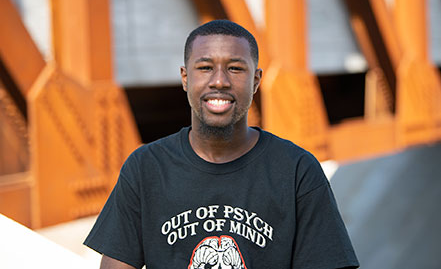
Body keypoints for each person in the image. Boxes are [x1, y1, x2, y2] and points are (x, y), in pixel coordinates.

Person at [84, 19, 359, 269]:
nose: (219, 81)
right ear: (185, 78)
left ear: (256, 80)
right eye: (205, 68)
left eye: (235, 68)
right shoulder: (145, 168)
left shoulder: (297, 170)